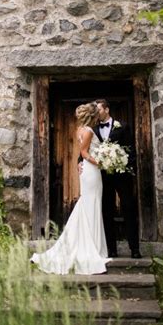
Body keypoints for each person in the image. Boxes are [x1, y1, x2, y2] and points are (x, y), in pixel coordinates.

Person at [30, 102, 110, 274]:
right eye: (96, 114)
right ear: (93, 116)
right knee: (92, 203)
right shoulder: (88, 131)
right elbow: (84, 153)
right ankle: (91, 246)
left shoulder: (79, 130)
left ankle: (93, 244)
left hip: (88, 171)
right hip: (92, 171)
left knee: (89, 204)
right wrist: (102, 163)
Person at [94, 99, 142, 258]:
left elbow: (131, 150)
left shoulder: (122, 126)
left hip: (122, 176)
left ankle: (134, 249)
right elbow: (87, 150)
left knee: (128, 208)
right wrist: (81, 163)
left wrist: (129, 169)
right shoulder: (93, 129)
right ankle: (111, 249)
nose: (96, 112)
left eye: (98, 109)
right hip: (103, 177)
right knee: (107, 211)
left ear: (106, 109)